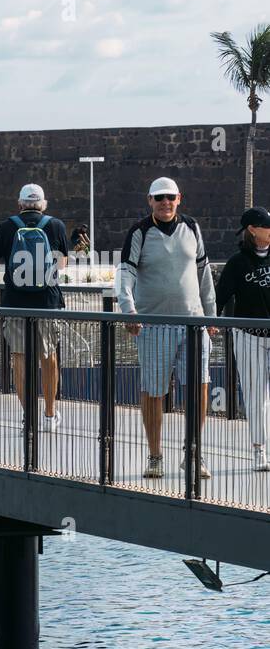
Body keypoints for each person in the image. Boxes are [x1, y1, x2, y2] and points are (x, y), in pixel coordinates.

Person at [117, 177, 218, 480]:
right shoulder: (139, 232)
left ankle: (193, 454)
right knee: (153, 392)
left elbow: (204, 274)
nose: (165, 202)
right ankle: (155, 456)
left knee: (199, 388)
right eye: (159, 198)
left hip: (193, 323)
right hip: (153, 325)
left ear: (179, 198)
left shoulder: (192, 227)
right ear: (149, 200)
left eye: (170, 197)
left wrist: (211, 316)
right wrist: (129, 312)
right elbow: (125, 275)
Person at [0, 183, 70, 429]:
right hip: (48, 304)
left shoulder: (7, 227)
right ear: (43, 204)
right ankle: (50, 415)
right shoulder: (56, 225)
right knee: (48, 357)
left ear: (19, 204)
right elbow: (62, 265)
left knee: (19, 358)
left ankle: (28, 415)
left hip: (15, 303)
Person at [216, 206, 270, 470]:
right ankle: (259, 449)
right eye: (267, 226)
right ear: (253, 230)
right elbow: (220, 295)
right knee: (256, 395)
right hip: (249, 336)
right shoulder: (238, 262)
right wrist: (210, 323)